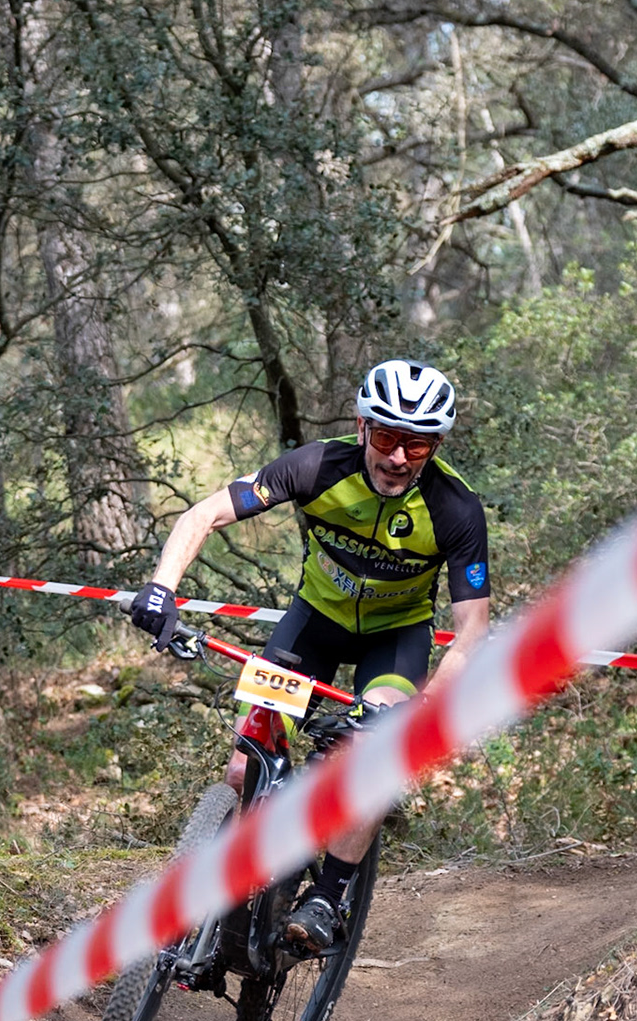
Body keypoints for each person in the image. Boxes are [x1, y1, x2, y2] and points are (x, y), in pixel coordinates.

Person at [128, 359, 491, 952]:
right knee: (243, 770)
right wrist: (161, 587)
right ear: (362, 426)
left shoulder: (455, 507)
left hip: (394, 639)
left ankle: (327, 895)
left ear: (437, 447)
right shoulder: (318, 466)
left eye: (418, 446)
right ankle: (232, 893)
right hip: (313, 625)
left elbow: (472, 628)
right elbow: (206, 513)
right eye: (388, 438)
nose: (399, 457)